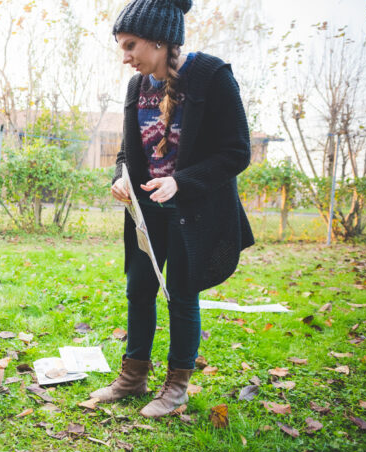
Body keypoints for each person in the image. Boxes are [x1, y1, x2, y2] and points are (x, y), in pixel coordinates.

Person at [89, 0, 254, 418]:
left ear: (160, 40)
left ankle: (177, 387)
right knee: (138, 290)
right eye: (121, 47)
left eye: (130, 45)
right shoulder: (136, 88)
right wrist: (122, 176)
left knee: (181, 293)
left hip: (192, 211)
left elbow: (237, 152)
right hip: (147, 213)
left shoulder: (211, 76)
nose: (125, 57)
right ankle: (133, 377)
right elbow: (127, 152)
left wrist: (181, 181)